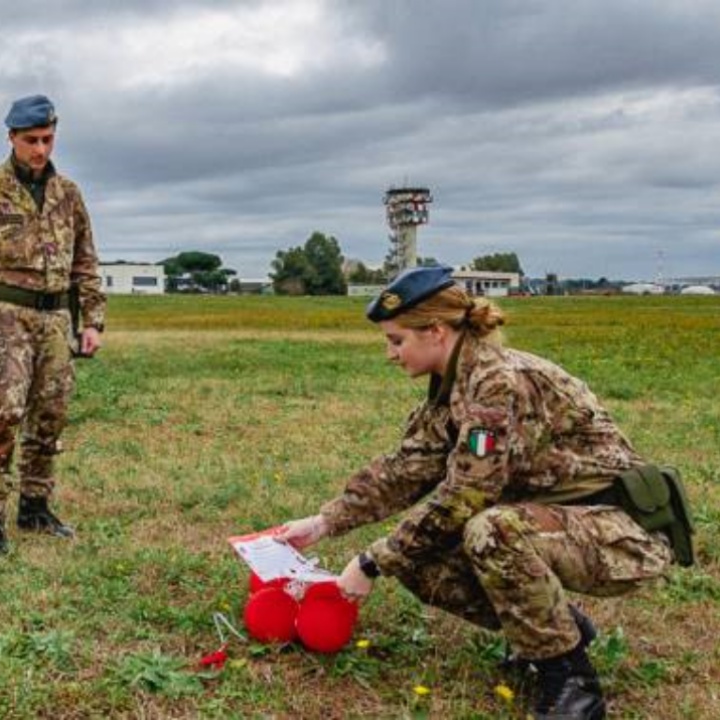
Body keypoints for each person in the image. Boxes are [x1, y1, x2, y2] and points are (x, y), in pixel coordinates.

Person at [275, 265, 689, 720]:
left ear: (434, 331)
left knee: (491, 530)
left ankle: (571, 680)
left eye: (396, 340)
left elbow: (469, 492)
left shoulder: (495, 382)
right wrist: (324, 523)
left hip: (623, 531)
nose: (390, 354)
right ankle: (558, 630)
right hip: (562, 521)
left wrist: (372, 561)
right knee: (419, 554)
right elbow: (405, 469)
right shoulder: (454, 383)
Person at [0, 94, 106, 554]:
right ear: (11, 137)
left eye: (47, 140)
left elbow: (85, 261)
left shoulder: (67, 195)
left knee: (50, 417)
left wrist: (92, 320)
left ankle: (35, 506)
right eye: (30, 140)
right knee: (2, 419)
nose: (40, 150)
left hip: (54, 321)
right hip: (4, 321)